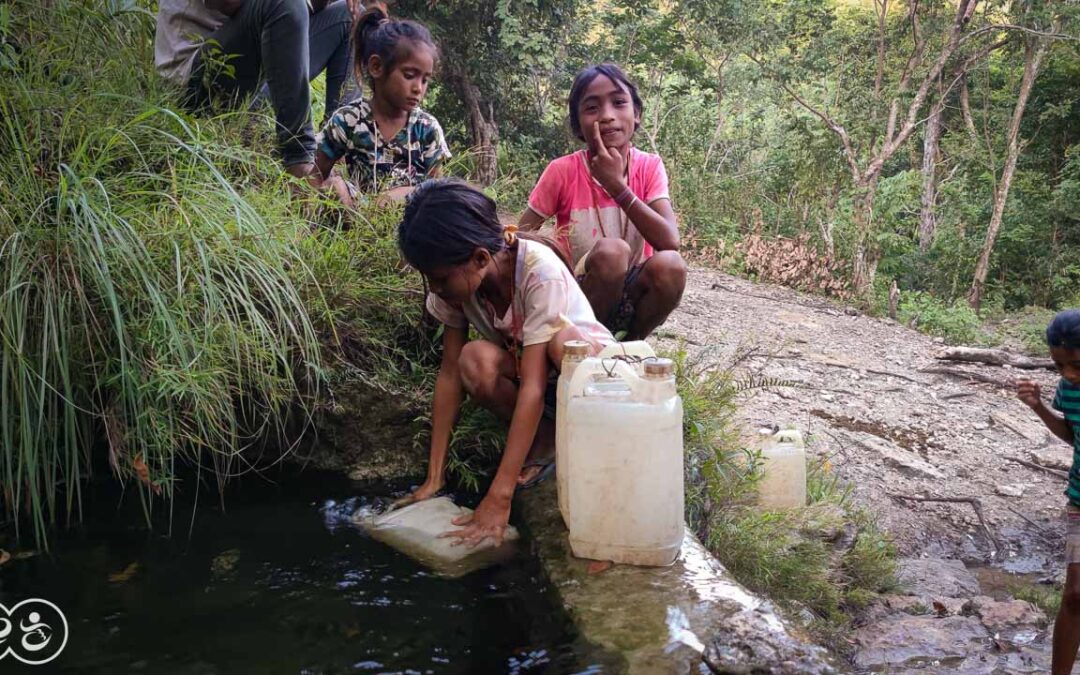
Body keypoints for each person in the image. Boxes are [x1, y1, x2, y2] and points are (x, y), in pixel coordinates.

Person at [396, 180, 615, 547]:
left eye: (439, 279)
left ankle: (586, 445)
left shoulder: (537, 272)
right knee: (473, 359)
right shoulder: (458, 286)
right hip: (535, 377)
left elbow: (532, 385)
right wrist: (434, 478)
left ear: (481, 258)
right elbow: (450, 374)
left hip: (591, 379)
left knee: (563, 344)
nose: (434, 289)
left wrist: (499, 498)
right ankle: (546, 440)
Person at [518, 63, 687, 340]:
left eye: (619, 102)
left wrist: (617, 187)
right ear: (578, 125)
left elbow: (670, 241)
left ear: (637, 113)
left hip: (631, 293)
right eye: (592, 108)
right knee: (612, 253)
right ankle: (581, 344)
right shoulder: (563, 171)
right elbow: (521, 237)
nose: (607, 116)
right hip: (576, 294)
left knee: (671, 266)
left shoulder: (649, 166)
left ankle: (627, 348)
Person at [155, 0, 355, 177]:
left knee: (349, 16)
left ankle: (334, 147)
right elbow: (228, 2)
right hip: (194, 81)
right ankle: (299, 159)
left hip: (252, 81)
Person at [307, 6, 450, 207]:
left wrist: (404, 194)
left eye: (425, 80)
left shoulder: (427, 128)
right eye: (409, 76)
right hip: (357, 220)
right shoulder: (348, 120)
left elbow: (439, 193)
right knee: (334, 187)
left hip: (411, 223)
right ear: (376, 67)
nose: (418, 88)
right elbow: (314, 175)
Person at [1017, 309, 1080, 674]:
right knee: (1075, 595)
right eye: (1059, 366)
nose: (1069, 374)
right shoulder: (1069, 389)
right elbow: (1073, 435)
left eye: (1077, 364)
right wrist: (1039, 406)